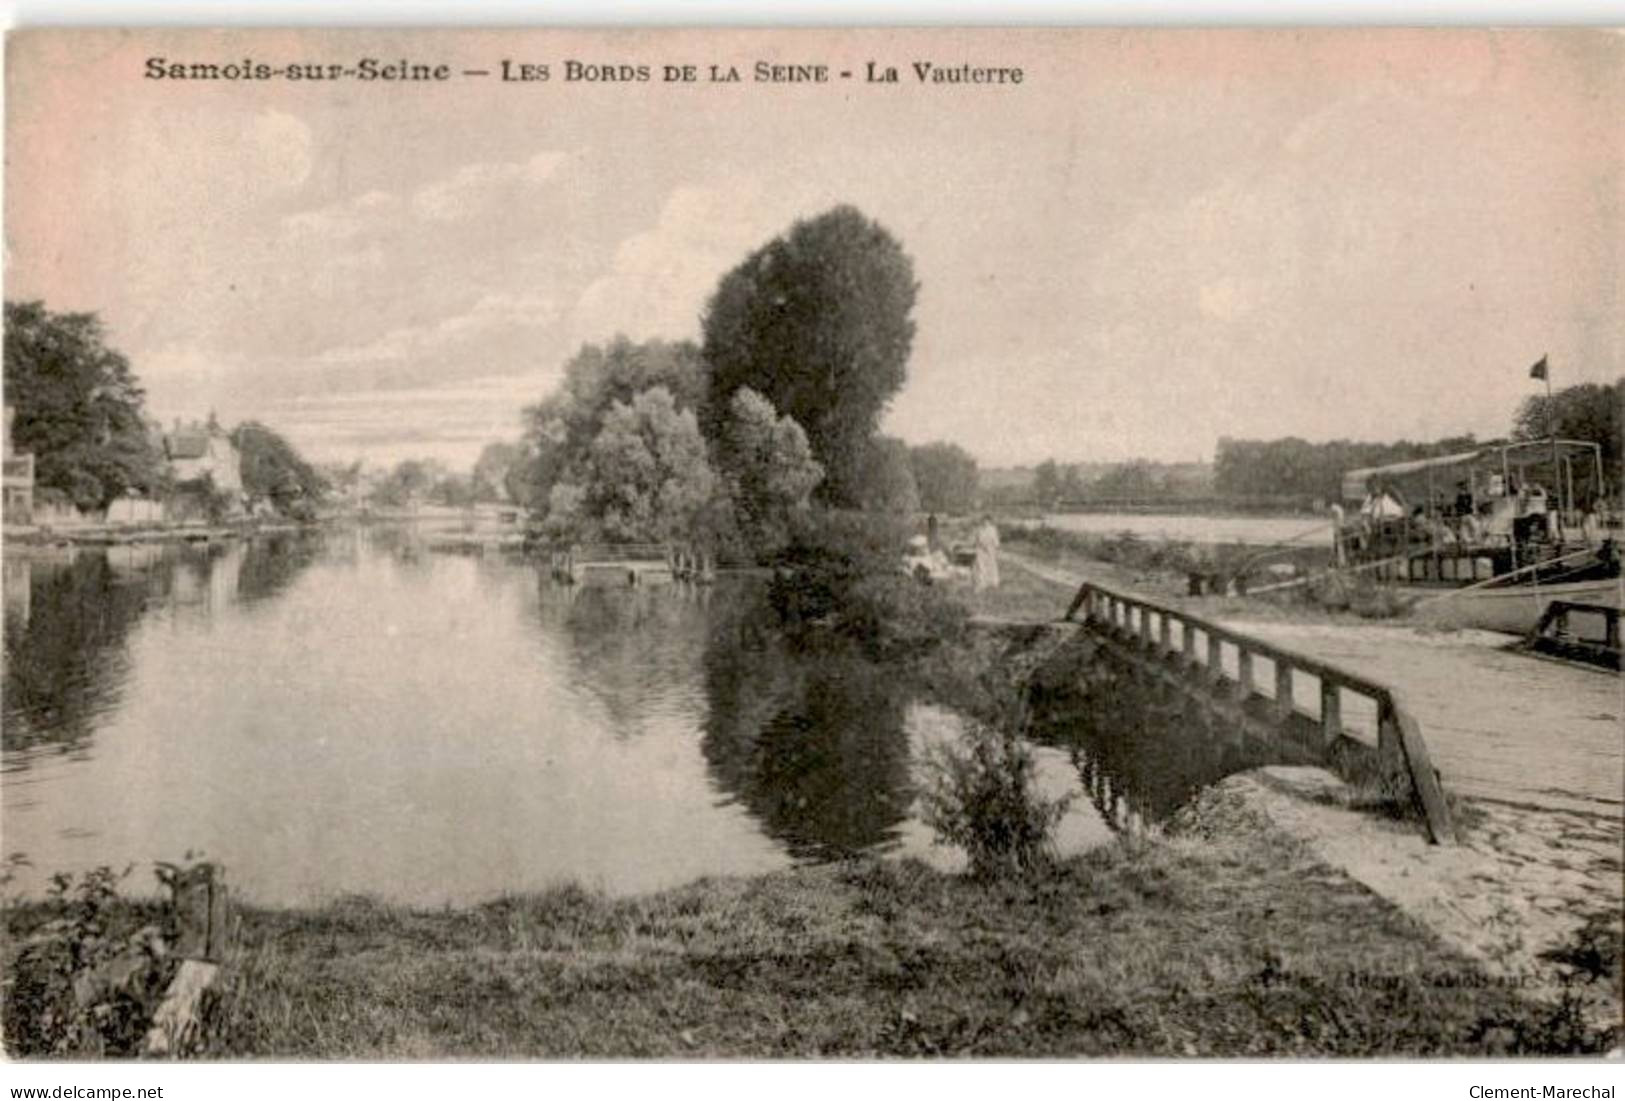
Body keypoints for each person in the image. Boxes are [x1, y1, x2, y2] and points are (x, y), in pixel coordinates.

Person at [972, 514, 1001, 592]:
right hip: (981, 550)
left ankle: (993, 583)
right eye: (984, 521)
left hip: (990, 550)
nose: (985, 523)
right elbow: (976, 540)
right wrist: (977, 546)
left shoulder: (993, 529)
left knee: (991, 566)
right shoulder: (980, 530)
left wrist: (996, 549)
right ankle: (982, 584)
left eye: (987, 521)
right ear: (982, 522)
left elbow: (996, 540)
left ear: (990, 522)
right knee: (981, 566)